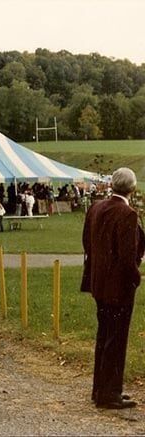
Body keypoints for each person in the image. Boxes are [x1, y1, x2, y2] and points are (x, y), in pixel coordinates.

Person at [81, 167, 145, 410]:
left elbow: (87, 242)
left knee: (104, 335)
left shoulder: (96, 207)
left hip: (99, 283)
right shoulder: (127, 213)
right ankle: (110, 393)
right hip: (119, 287)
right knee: (116, 340)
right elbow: (128, 256)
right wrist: (135, 278)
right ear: (132, 188)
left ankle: (100, 389)